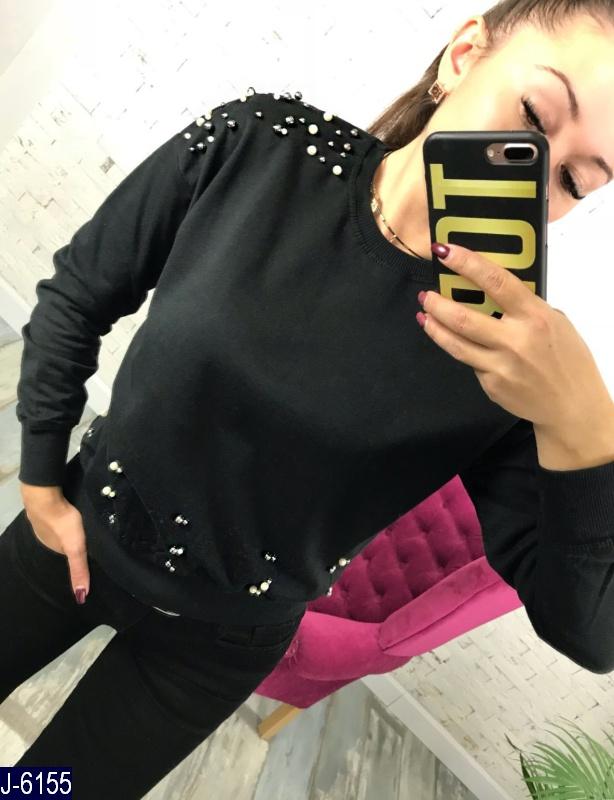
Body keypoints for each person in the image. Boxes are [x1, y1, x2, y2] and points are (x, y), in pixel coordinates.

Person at [3, 0, 614, 796]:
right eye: (533, 115)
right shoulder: (261, 146)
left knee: (46, 791)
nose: (535, 173)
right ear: (465, 54)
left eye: (573, 180)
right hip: (71, 534)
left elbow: (589, 632)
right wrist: (40, 478)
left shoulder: (508, 357)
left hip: (214, 651)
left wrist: (587, 425)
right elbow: (81, 292)